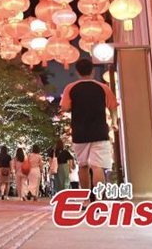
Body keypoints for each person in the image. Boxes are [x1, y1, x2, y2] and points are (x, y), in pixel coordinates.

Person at [60, 58, 119, 200]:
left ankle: (86, 200)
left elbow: (65, 107)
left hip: (80, 132)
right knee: (97, 167)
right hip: (100, 132)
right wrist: (114, 123)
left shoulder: (70, 88)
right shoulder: (103, 87)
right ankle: (98, 200)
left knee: (83, 166)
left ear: (77, 72)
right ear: (92, 70)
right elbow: (113, 107)